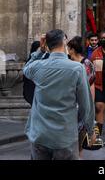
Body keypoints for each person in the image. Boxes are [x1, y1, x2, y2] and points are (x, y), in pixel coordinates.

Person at [23, 30, 95, 160]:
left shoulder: (38, 66)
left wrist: (40, 50)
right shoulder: (77, 69)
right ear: (64, 43)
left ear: (47, 45)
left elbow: (26, 69)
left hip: (40, 134)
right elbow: (86, 104)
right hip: (64, 136)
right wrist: (91, 129)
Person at [67, 36, 100, 155]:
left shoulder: (86, 64)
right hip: (70, 106)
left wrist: (90, 108)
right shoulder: (69, 62)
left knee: (79, 136)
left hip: (80, 105)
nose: (67, 50)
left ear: (72, 49)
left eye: (68, 47)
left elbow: (90, 89)